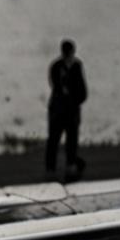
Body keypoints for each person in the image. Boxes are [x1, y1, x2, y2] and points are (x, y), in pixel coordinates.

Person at [45, 39, 88, 181]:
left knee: (72, 140)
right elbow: (56, 86)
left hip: (71, 110)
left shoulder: (77, 65)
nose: (68, 55)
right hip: (58, 110)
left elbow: (82, 90)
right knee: (54, 139)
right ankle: (50, 169)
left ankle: (70, 166)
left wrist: (75, 100)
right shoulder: (56, 66)